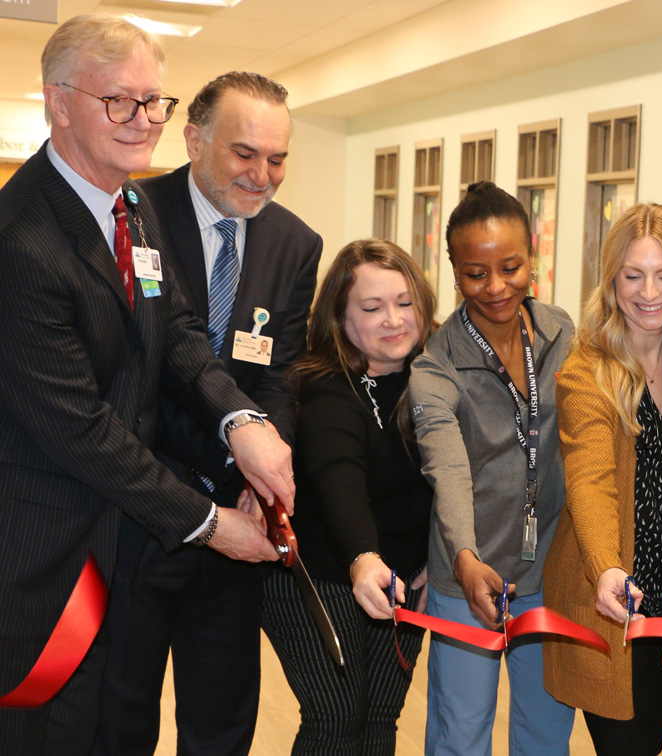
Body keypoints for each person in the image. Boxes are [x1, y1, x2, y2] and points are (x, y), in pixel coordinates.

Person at [0, 15, 293, 755]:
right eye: (120, 102)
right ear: (58, 103)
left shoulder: (130, 208)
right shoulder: (21, 240)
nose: (144, 122)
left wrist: (241, 422)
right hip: (45, 563)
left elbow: (179, 337)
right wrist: (211, 523)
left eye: (154, 102)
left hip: (115, 546)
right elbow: (81, 428)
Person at [95, 70, 321, 756]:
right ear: (194, 141)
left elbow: (279, 372)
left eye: (277, 158)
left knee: (221, 719)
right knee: (120, 714)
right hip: (142, 507)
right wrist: (232, 447)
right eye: (244, 153)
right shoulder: (131, 211)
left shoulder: (294, 242)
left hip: (239, 520)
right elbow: (149, 358)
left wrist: (259, 471)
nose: (262, 175)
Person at [409, 181, 576, 755]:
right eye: (477, 273)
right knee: (460, 735)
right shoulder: (435, 366)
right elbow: (447, 469)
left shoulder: (564, 336)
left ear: (533, 256)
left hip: (549, 575)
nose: (497, 286)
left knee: (546, 733)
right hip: (467, 576)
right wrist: (463, 556)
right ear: (454, 272)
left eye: (511, 266)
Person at [542, 203, 662, 754]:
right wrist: (607, 570)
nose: (648, 291)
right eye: (633, 275)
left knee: (649, 743)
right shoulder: (588, 367)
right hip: (609, 595)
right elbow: (591, 480)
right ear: (611, 278)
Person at [260, 239, 436, 754]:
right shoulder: (323, 387)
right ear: (339, 315)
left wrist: (433, 558)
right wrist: (364, 557)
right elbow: (341, 481)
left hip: (402, 577)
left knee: (380, 718)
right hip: (319, 574)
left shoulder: (434, 380)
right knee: (335, 718)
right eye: (372, 307)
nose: (393, 320)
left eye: (405, 303)